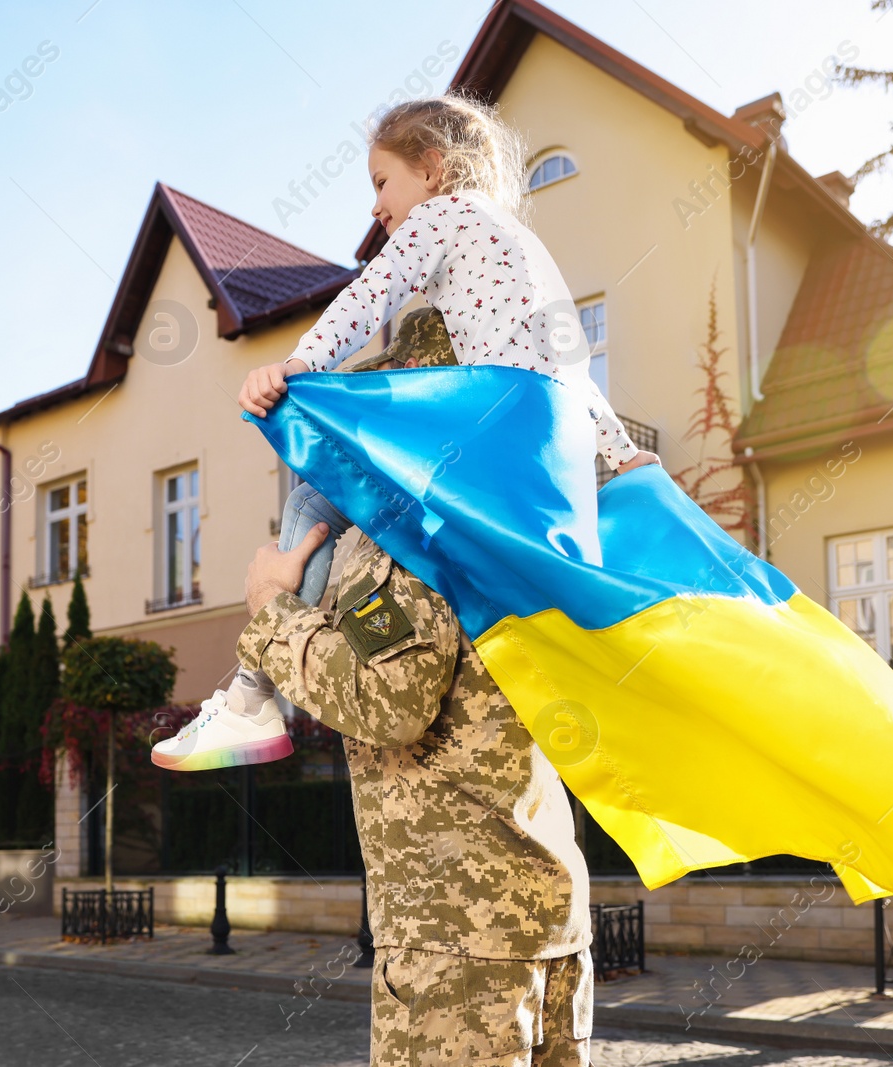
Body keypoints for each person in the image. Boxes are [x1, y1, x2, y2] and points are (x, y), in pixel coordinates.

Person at [152, 93, 659, 772]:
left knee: (312, 497)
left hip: (482, 432)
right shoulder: (524, 245)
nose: (375, 205)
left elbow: (370, 295)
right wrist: (622, 456)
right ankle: (278, 672)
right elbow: (572, 368)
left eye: (381, 181)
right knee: (350, 499)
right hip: (539, 449)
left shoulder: (443, 215)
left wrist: (300, 363)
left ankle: (254, 696)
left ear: (434, 168)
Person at [239, 492, 594, 1065]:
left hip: (456, 937)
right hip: (539, 915)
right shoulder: (494, 516)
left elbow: (391, 703)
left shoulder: (407, 534)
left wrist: (271, 608)